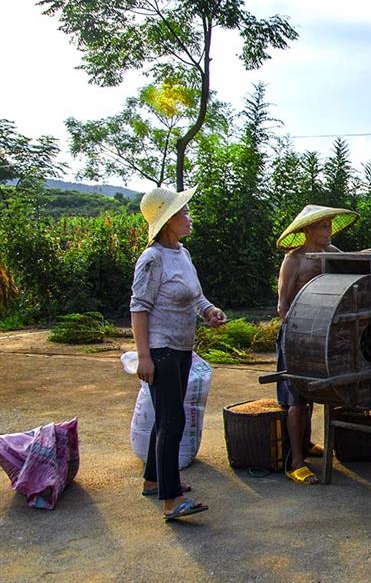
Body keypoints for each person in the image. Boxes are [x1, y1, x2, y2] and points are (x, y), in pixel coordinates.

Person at [275, 205, 371, 485]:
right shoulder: (294, 260)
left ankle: (307, 444)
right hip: (296, 334)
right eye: (323, 226)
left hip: (323, 334)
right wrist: (298, 331)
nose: (328, 230)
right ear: (308, 230)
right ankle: (296, 462)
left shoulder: (331, 252)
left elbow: (357, 259)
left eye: (330, 225)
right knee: (297, 399)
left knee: (318, 392)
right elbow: (282, 306)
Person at [130, 186, 227, 521]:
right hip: (162, 351)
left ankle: (153, 480)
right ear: (166, 221)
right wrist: (144, 357)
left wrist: (210, 311)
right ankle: (171, 501)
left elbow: (196, 297)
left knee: (166, 417)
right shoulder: (152, 259)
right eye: (182, 212)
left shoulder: (181, 254)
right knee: (173, 420)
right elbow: (138, 309)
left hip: (183, 350)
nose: (188, 217)